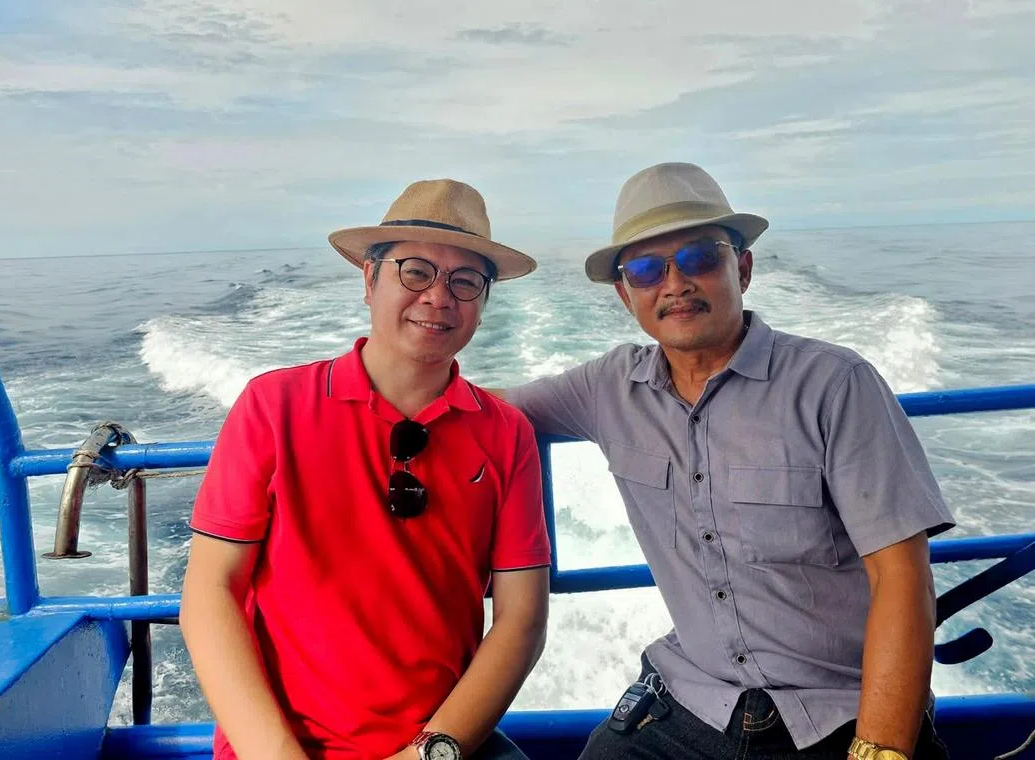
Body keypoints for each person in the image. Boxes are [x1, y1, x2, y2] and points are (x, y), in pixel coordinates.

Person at [495, 163, 955, 759]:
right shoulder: (608, 388)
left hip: (836, 708)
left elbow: (902, 577)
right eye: (645, 269)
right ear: (624, 293)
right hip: (690, 699)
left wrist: (882, 749)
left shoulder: (836, 386)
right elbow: (480, 411)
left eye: (698, 258)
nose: (675, 284)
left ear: (742, 267)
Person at [180, 178, 552, 760]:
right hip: (284, 745)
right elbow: (210, 592)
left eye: (464, 281)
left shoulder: (506, 434)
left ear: (481, 301)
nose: (438, 296)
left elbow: (522, 619)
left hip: (440, 745)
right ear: (369, 279)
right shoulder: (273, 407)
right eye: (415, 271)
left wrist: (431, 752)